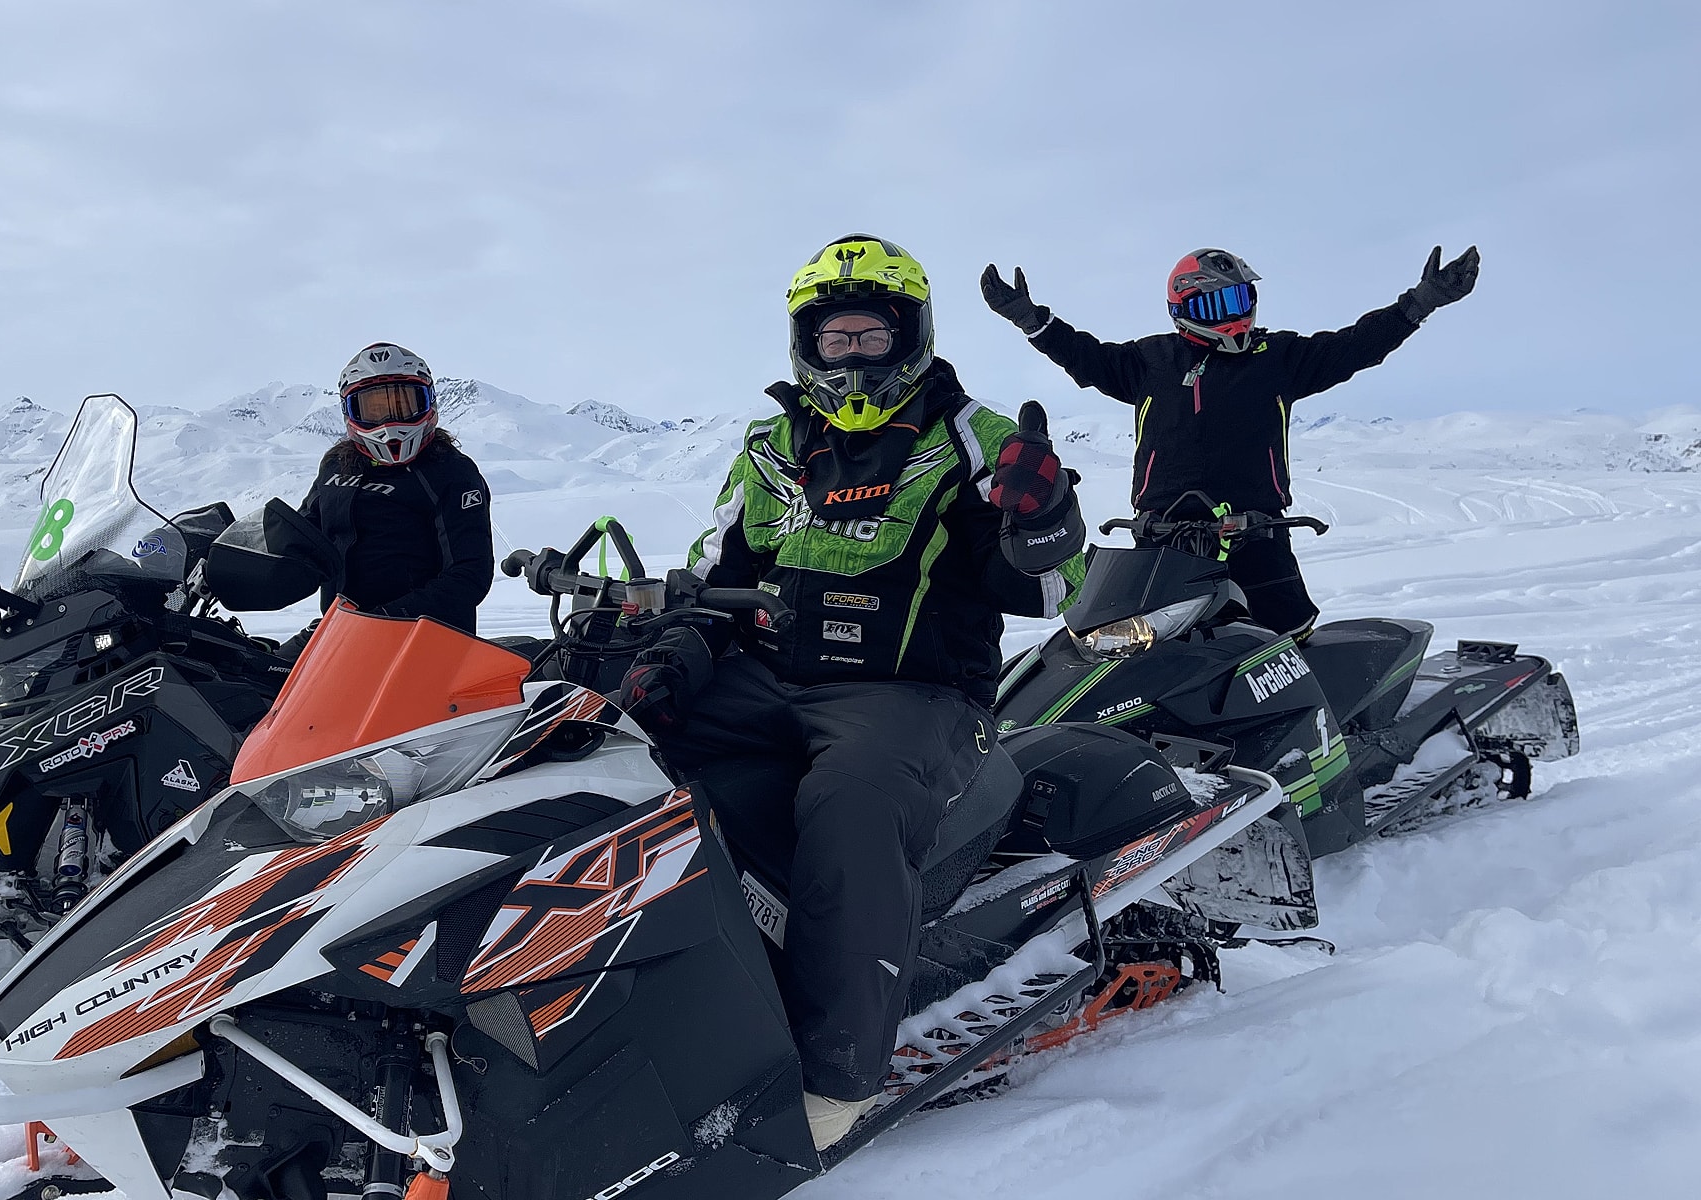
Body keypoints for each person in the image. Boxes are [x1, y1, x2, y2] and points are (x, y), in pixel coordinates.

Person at [625, 235, 1087, 1150]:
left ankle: (837, 1079)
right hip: (767, 679)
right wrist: (674, 647)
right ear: (805, 343)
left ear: (909, 334)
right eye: (833, 338)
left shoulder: (974, 437)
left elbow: (1046, 591)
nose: (851, 355)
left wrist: (1041, 521)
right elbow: (720, 567)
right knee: (615, 743)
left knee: (851, 805)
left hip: (911, 693)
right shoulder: (771, 443)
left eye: (871, 336)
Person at [979, 245, 1480, 639]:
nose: (1234, 316)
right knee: (1142, 650)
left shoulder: (1277, 358)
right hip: (1162, 538)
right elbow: (1083, 356)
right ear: (1183, 309)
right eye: (1219, 304)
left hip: (1256, 537)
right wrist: (1032, 319)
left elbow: (1354, 346)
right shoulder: (1149, 361)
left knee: (1288, 647)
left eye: (1240, 300)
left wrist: (1419, 304)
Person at [297, 342, 494, 632]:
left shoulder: (451, 471)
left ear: (429, 402)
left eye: (403, 405)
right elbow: (303, 540)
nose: (390, 420)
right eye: (374, 409)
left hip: (424, 638)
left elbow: (469, 573)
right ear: (350, 411)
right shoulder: (335, 467)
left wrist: (388, 618)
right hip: (341, 634)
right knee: (248, 669)